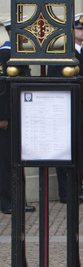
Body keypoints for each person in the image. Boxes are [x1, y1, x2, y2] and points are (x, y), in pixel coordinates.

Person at [51, 13, 83, 204]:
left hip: (81, 110)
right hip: (66, 111)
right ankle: (66, 191)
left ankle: (77, 187)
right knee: (66, 151)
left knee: (81, 150)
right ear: (70, 31)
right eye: (79, 28)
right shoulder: (63, 53)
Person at [0, 19, 36, 215]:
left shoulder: (19, 54)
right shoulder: (4, 53)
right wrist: (3, 116)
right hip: (8, 118)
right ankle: (7, 201)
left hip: (20, 115)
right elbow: (1, 88)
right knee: (6, 160)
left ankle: (19, 199)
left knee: (18, 159)